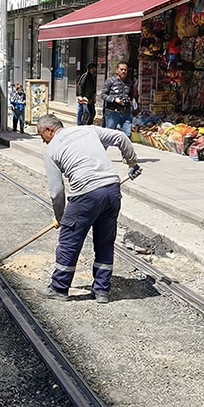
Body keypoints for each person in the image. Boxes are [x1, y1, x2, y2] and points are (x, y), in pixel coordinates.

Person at [36, 114, 141, 303]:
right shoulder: (87, 129)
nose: (43, 141)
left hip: (86, 195)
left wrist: (60, 217)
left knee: (69, 242)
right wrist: (132, 163)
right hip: (111, 190)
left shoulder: (51, 150)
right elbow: (120, 137)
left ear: (49, 130)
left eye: (41, 135)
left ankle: (59, 288)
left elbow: (56, 191)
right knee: (105, 241)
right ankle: (102, 291)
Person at [100, 61, 133, 132]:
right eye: (121, 69)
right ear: (117, 71)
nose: (123, 71)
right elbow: (103, 95)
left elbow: (131, 95)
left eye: (125, 70)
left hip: (125, 112)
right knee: (110, 134)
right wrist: (114, 99)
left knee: (127, 134)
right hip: (112, 112)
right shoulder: (110, 81)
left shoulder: (129, 82)